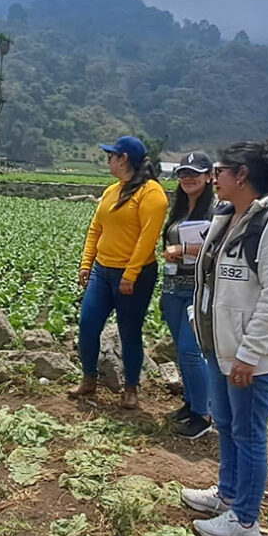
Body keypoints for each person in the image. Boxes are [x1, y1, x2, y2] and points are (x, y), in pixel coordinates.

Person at [182, 137, 268, 536]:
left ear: (243, 175)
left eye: (220, 170)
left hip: (247, 355)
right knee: (227, 425)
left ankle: (246, 520)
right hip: (220, 347)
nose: (214, 177)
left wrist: (250, 355)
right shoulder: (228, 216)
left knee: (249, 434)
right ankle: (228, 494)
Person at [70, 136, 167, 409]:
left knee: (129, 331)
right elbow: (96, 229)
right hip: (103, 271)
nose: (108, 160)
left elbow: (147, 239)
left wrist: (130, 274)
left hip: (135, 275)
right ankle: (89, 379)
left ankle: (131, 388)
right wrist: (86, 263)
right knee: (88, 324)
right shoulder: (112, 191)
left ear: (123, 159)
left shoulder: (152, 193)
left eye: (111, 156)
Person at [160, 151, 216, 438]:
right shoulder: (179, 209)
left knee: (191, 350)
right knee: (182, 351)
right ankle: (192, 403)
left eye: (194, 173)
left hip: (199, 288)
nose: (187, 178)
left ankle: (205, 414)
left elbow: (220, 247)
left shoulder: (218, 211)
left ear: (209, 177)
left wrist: (183, 250)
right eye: (183, 173)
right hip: (173, 287)